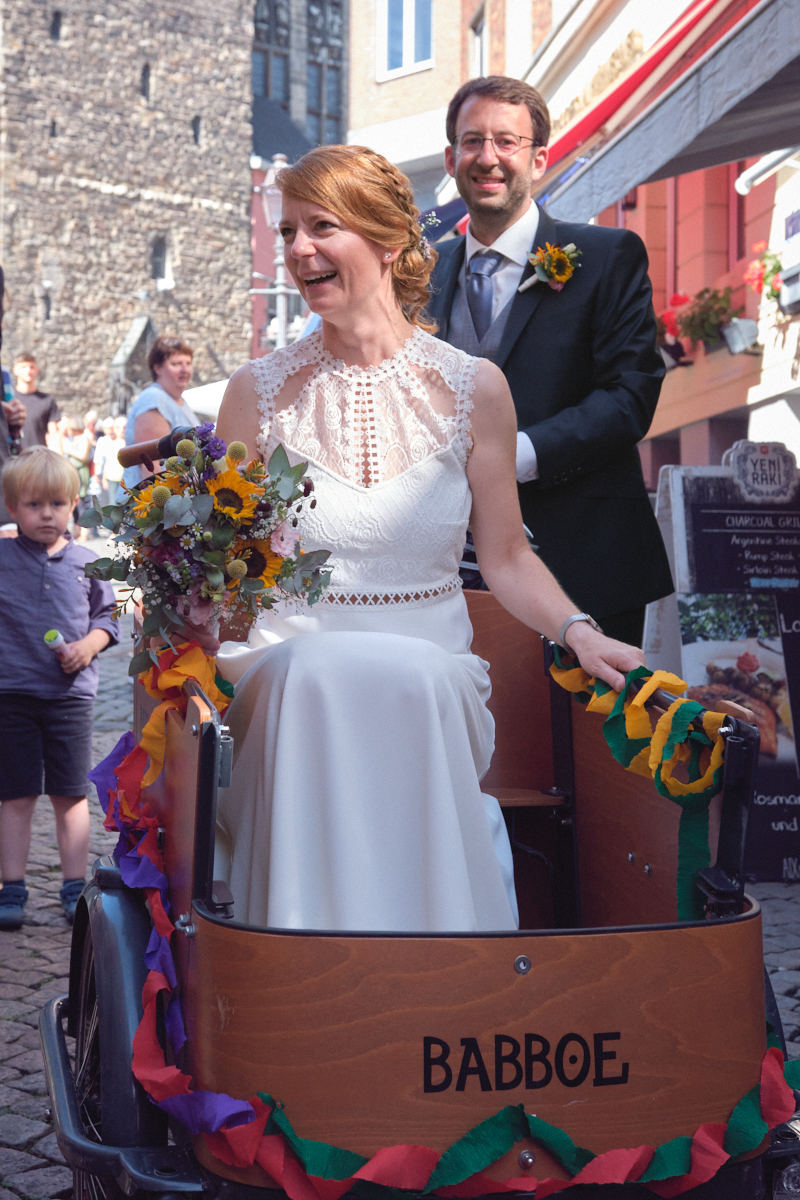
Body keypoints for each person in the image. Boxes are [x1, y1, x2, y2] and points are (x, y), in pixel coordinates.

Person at [212, 144, 645, 935]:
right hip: (285, 675)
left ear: (386, 240)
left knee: (410, 680)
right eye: (289, 231)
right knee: (310, 674)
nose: (299, 250)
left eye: (322, 227)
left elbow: (506, 556)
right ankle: (299, 964)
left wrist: (580, 632)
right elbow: (230, 569)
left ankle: (433, 966)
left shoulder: (475, 388)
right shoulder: (254, 393)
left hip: (433, 676)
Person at [427, 77, 674, 648]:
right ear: (451, 158)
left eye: (506, 142)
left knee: (576, 712)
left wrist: (512, 457)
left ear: (538, 158)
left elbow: (630, 396)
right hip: (443, 572)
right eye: (472, 141)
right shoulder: (422, 273)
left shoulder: (608, 257)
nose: (488, 157)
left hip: (583, 557)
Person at [0, 448, 119, 929]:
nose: (46, 514)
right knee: (16, 795)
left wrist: (87, 647)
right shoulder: (3, 559)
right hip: (12, 694)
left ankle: (74, 885)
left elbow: (107, 620)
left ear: (73, 505)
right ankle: (12, 886)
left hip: (70, 698)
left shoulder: (89, 563)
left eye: (56, 504)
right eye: (33, 505)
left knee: (70, 794)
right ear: (12, 507)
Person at [118, 336, 198, 501]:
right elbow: (150, 464)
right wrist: (160, 507)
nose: (185, 369)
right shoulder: (154, 399)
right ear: (157, 368)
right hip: (153, 503)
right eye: (176, 364)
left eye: (188, 363)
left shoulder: (180, 402)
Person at [12, 353, 61, 451]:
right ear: (15, 370)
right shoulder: (9, 398)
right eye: (23, 367)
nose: (28, 370)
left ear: (36, 370)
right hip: (12, 456)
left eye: (31, 367)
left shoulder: (47, 400)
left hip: (37, 455)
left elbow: (54, 435)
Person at [61, 414, 93, 541]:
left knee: (82, 502)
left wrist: (68, 449)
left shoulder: (84, 439)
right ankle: (77, 530)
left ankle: (85, 531)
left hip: (81, 472)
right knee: (75, 501)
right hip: (73, 472)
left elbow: (83, 456)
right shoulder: (73, 439)